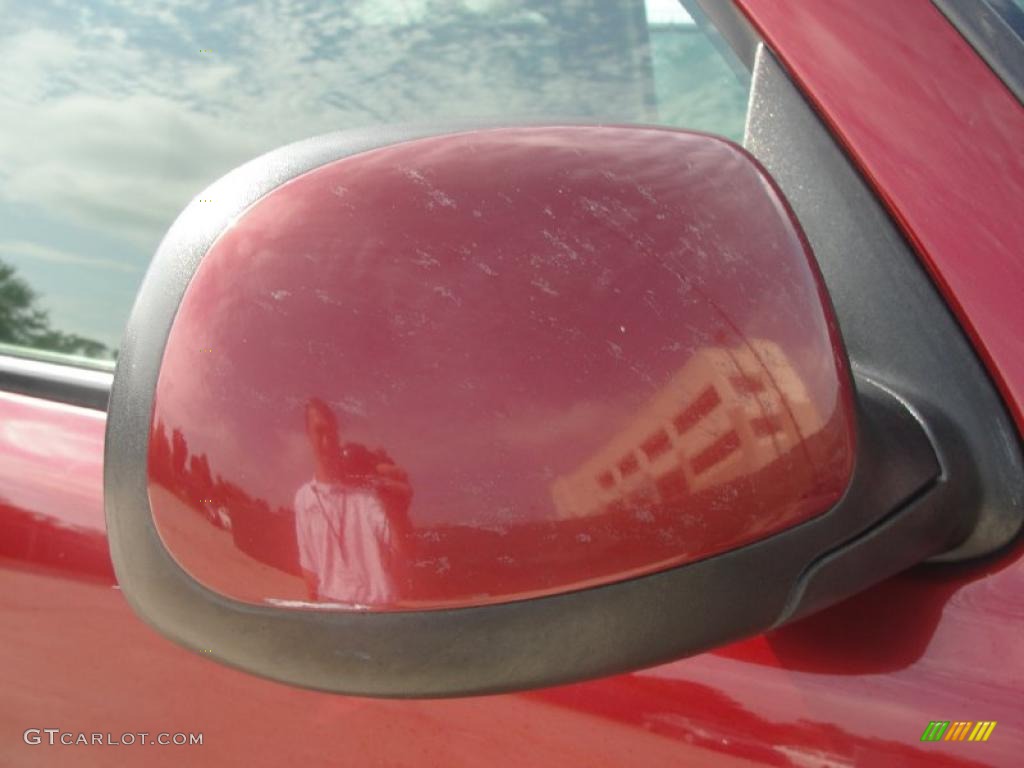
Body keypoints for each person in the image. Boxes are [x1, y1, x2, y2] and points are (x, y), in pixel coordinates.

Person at [293, 398, 411, 605]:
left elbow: (400, 561)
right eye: (319, 431)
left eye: (332, 433)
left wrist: (396, 512)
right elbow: (309, 567)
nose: (327, 441)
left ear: (339, 437)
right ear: (308, 435)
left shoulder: (368, 493)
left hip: (379, 607)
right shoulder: (304, 499)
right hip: (332, 608)